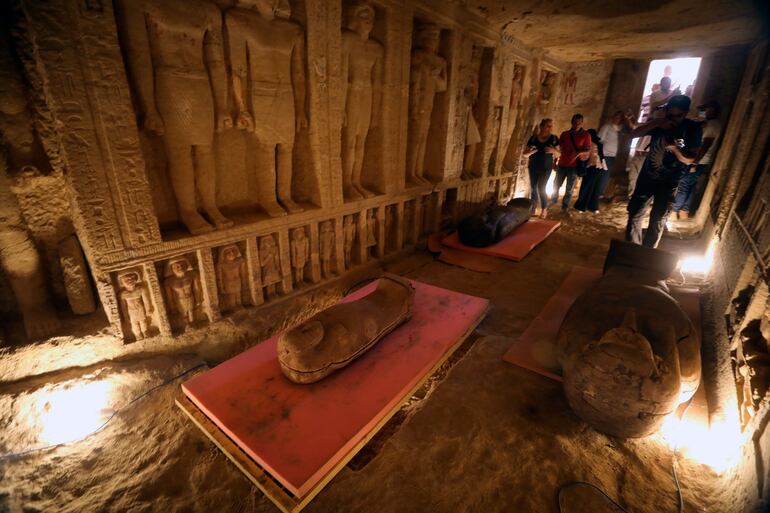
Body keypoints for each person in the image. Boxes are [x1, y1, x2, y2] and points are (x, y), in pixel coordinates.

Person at [625, 95, 702, 248]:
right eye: (669, 115)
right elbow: (632, 134)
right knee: (634, 214)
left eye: (677, 116)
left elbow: (690, 159)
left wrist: (674, 148)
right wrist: (657, 122)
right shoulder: (660, 124)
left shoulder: (692, 129)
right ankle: (632, 250)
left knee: (658, 219)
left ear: (685, 113)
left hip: (669, 183)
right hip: (647, 178)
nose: (672, 119)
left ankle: (648, 253)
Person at [671, 100, 721, 219]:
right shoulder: (710, 123)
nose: (703, 112)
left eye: (705, 109)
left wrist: (694, 162)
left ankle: (674, 211)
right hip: (701, 160)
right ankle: (684, 211)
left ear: (712, 110)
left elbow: (706, 145)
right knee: (690, 185)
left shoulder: (712, 125)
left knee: (683, 184)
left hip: (699, 160)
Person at [552, 113, 590, 211]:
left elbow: (587, 150)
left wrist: (578, 153)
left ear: (582, 123)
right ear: (572, 122)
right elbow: (558, 149)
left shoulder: (586, 135)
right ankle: (553, 201)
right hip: (562, 163)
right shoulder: (565, 134)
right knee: (556, 184)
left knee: (569, 188)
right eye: (575, 123)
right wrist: (555, 162)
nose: (576, 125)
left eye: (579, 123)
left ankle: (565, 206)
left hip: (574, 166)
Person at [523, 118, 560, 218]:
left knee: (541, 188)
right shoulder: (533, 138)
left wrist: (553, 151)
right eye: (548, 126)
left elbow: (559, 154)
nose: (550, 128)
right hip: (533, 167)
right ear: (541, 127)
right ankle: (533, 209)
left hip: (546, 168)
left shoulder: (553, 139)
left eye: (551, 126)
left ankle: (544, 209)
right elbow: (525, 154)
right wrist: (531, 152)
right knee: (533, 188)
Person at [597, 110, 630, 198]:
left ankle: (600, 193)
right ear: (613, 117)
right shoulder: (607, 127)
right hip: (605, 154)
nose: (617, 119)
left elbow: (631, 129)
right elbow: (599, 140)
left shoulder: (621, 130)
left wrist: (628, 118)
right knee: (604, 175)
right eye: (616, 117)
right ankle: (598, 193)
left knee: (607, 175)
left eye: (619, 118)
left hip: (614, 156)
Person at [574, 128, 608, 213]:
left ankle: (587, 207)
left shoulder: (594, 144)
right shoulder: (592, 144)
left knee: (590, 187)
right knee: (591, 187)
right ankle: (588, 207)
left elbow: (600, 156)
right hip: (595, 168)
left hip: (595, 167)